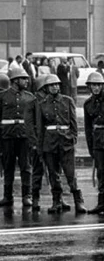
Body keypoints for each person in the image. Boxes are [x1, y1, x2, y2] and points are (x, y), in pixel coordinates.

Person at [32, 74, 86, 214]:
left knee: (70, 173)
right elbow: (40, 127)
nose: (55, 87)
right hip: (49, 143)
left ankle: (78, 201)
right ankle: (57, 201)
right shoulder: (42, 104)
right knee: (53, 173)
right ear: (47, 88)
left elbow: (73, 124)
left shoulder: (68, 101)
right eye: (52, 85)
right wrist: (40, 147)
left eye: (57, 84)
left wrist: (72, 138)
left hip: (66, 142)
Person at [0, 68, 35, 208]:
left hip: (24, 137)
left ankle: (27, 196)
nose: (26, 81)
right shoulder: (2, 97)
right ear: (15, 81)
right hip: (7, 136)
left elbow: (34, 120)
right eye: (23, 79)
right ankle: (8, 196)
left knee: (26, 167)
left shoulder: (30, 97)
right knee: (8, 167)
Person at [83, 73, 104, 215]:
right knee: (101, 173)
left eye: (98, 85)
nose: (95, 88)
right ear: (89, 86)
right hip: (97, 140)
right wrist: (91, 148)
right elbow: (88, 127)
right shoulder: (88, 104)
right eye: (93, 85)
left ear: (102, 85)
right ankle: (103, 204)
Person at [26, 75, 49, 211]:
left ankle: (58, 200)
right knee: (37, 172)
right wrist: (34, 143)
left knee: (54, 171)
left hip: (50, 141)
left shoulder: (49, 102)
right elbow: (29, 125)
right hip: (37, 142)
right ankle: (35, 198)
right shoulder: (32, 103)